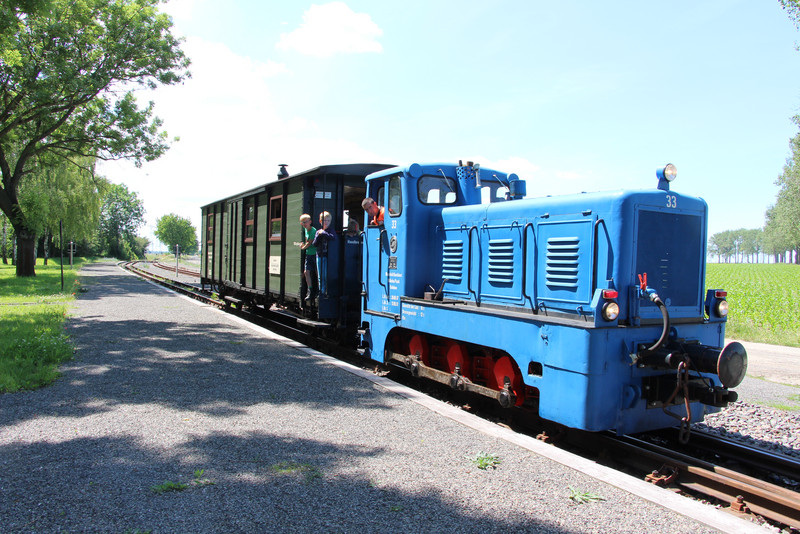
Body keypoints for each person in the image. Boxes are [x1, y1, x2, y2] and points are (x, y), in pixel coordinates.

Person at [312, 211, 336, 297]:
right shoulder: (318, 232)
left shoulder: (331, 230)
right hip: (319, 255)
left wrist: (324, 233)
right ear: (320, 221)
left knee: (326, 275)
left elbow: (333, 237)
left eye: (328, 220)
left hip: (328, 256)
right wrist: (319, 235)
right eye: (324, 220)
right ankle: (321, 291)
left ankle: (326, 291)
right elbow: (314, 244)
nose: (326, 222)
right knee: (321, 275)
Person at [299, 213, 317, 301]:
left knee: (316, 272)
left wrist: (302, 247)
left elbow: (309, 243)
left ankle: (317, 290)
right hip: (308, 254)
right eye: (302, 223)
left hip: (314, 254)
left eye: (305, 222)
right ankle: (310, 290)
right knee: (306, 272)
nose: (304, 224)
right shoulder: (306, 229)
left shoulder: (313, 231)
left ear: (310, 222)